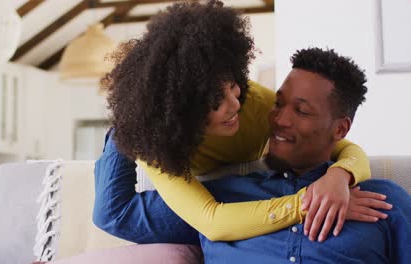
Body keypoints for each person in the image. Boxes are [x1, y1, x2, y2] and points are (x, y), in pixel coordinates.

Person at [94, 48, 411, 263]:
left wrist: (340, 175)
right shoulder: (218, 197)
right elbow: (115, 214)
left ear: (340, 129)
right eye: (279, 104)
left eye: (300, 110)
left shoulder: (383, 201)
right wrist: (135, 114)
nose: (278, 119)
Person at [101, 0, 371, 242]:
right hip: (146, 129)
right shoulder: (156, 143)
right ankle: (122, 128)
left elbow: (345, 148)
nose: (234, 105)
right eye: (216, 102)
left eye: (233, 86)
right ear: (185, 111)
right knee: (110, 215)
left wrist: (339, 176)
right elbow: (212, 222)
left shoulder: (255, 102)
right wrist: (307, 204)